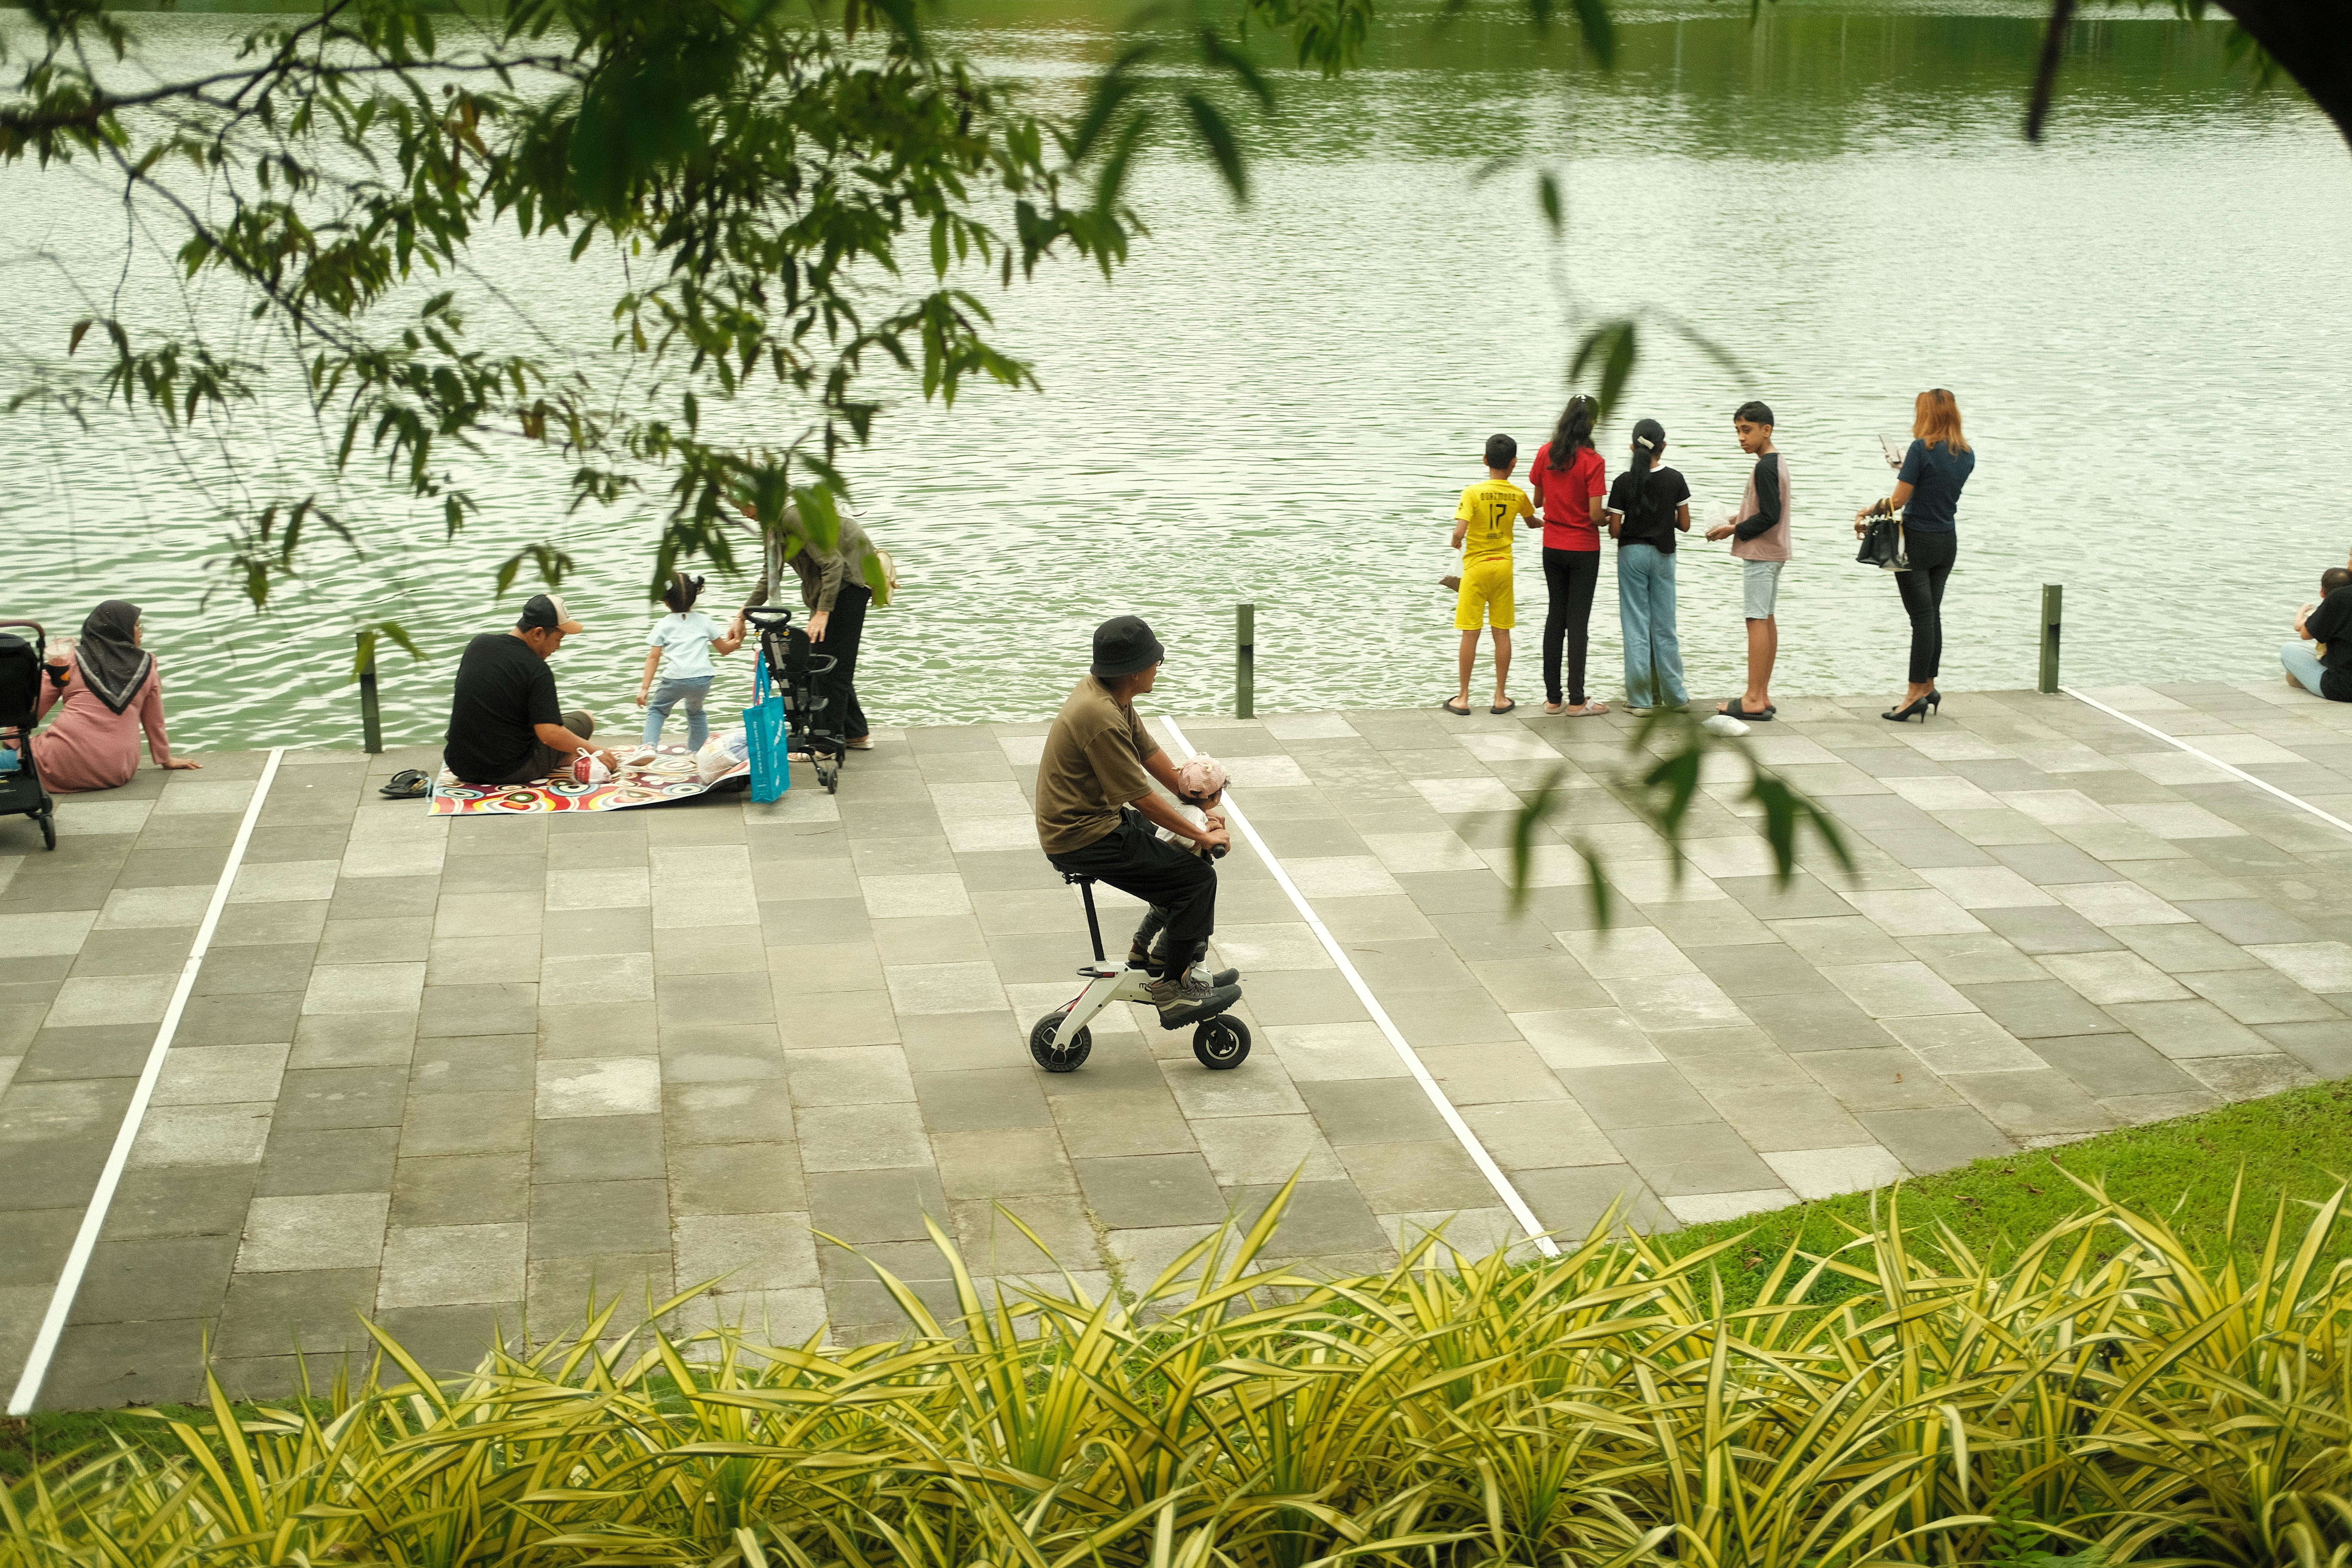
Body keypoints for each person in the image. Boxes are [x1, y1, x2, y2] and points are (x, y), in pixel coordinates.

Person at [1035, 616, 1239, 1026]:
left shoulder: (1112, 697)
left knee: (1187, 856)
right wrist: (1201, 831)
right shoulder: (1101, 716)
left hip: (1096, 819)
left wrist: (1198, 802)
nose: (1159, 666)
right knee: (1196, 881)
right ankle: (1173, 991)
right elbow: (1143, 800)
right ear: (1134, 670)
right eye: (1155, 660)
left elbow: (1153, 759)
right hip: (1082, 836)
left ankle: (1169, 960)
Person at [1856, 389, 1976, 722]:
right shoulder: (1967, 454)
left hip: (1917, 543)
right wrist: (1904, 468)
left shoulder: (1920, 450)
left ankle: (1913, 695)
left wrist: (1866, 511)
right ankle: (1928, 686)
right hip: (1946, 541)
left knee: (1921, 619)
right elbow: (1934, 486)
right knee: (1932, 615)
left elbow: (1898, 502)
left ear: (1926, 415)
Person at [730, 501, 887, 753]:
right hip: (832, 591)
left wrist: (823, 613)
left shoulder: (794, 515)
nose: (746, 514)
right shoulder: (774, 525)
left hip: (848, 587)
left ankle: (826, 744)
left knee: (828, 668)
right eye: (740, 510)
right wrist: (743, 615)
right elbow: (770, 574)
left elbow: (833, 563)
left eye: (746, 507)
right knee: (826, 660)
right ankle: (855, 733)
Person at [443, 594, 620, 785]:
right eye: (559, 639)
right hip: (507, 771)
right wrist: (595, 750)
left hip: (461, 765)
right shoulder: (537, 670)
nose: (558, 648)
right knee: (586, 718)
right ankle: (559, 758)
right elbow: (549, 734)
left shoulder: (478, 644)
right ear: (538, 634)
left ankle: (560, 757)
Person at [27, 600, 201, 791]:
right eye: (136, 626)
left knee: (12, 761)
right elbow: (154, 721)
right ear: (121, 630)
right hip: (118, 770)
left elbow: (35, 705)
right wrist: (164, 758)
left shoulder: (70, 660)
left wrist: (12, 742)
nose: (141, 632)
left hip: (58, 761)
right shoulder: (148, 666)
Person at [1703, 400, 1790, 721]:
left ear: (1767, 431)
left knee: (1755, 620)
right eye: (1738, 431)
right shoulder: (1776, 462)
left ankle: (1753, 697)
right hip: (1775, 552)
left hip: (1761, 554)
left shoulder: (1764, 467)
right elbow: (1767, 509)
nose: (1741, 437)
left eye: (1747, 430)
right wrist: (1733, 517)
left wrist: (1733, 530)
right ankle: (1762, 694)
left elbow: (1770, 515)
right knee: (1765, 618)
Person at [1527, 394, 1611, 717]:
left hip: (1553, 545)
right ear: (1591, 423)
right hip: (1584, 550)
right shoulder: (1594, 461)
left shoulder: (1546, 454)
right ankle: (1577, 701)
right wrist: (1608, 516)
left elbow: (1538, 501)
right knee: (1578, 624)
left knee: (1554, 618)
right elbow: (1593, 515)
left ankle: (1552, 699)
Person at [1444, 433, 1537, 716]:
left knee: (1470, 633)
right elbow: (1533, 522)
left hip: (1476, 569)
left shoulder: (1472, 493)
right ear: (1514, 463)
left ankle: (1463, 698)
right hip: (1503, 568)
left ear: (1485, 461)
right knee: (1502, 632)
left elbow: (1461, 530)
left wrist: (1456, 540)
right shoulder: (1518, 494)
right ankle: (1500, 696)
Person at [1604, 418, 1692, 715]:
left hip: (1632, 555)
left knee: (1636, 626)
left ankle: (1641, 700)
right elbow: (1686, 525)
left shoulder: (1623, 482)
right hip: (1664, 555)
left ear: (1632, 447)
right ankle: (1675, 697)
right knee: (1665, 627)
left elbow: (1615, 530)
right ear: (1663, 447)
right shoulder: (1676, 479)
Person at [1125, 754, 1238, 984]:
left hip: (1160, 873)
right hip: (1177, 881)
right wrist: (1207, 831)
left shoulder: (1177, 811)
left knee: (1157, 915)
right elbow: (1188, 841)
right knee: (1184, 919)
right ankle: (1160, 957)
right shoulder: (1196, 817)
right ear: (1215, 798)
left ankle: (1139, 947)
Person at [636, 572, 739, 750]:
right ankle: (699, 752)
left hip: (675, 679)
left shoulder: (663, 625)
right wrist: (736, 642)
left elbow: (654, 657)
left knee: (657, 711)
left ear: (666, 601)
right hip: (702, 679)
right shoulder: (705, 621)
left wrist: (645, 689)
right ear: (694, 597)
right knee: (696, 712)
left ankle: (648, 748)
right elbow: (724, 650)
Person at [2286, 567, 2352, 700]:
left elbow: (2305, 634)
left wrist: (2302, 612)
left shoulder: (2340, 596)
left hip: (2343, 689)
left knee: (2288, 650)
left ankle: (2306, 680)